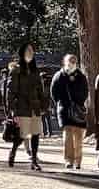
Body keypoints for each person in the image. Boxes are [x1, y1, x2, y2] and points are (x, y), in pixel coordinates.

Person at [6, 42, 47, 171]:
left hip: (35, 107)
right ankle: (13, 151)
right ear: (22, 53)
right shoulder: (16, 70)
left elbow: (40, 90)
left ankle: (34, 160)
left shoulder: (35, 71)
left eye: (32, 50)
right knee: (22, 135)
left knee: (35, 133)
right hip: (22, 107)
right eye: (28, 50)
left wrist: (44, 105)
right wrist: (11, 110)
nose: (30, 52)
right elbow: (10, 91)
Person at [51, 53, 90, 170]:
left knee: (78, 137)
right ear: (65, 62)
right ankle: (68, 160)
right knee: (68, 136)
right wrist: (60, 103)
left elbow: (85, 91)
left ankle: (78, 161)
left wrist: (79, 101)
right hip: (64, 109)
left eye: (74, 61)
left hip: (78, 110)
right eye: (70, 61)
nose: (72, 63)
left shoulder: (81, 76)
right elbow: (53, 93)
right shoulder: (59, 76)